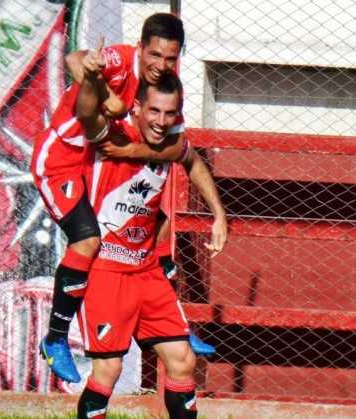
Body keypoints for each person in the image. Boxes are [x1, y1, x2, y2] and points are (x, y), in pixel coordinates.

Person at [31, 13, 222, 384]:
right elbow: (74, 60)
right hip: (62, 160)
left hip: (94, 161)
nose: (161, 65)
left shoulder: (166, 89)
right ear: (140, 48)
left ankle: (176, 327)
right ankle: (55, 338)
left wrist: (135, 150)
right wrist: (103, 89)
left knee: (158, 227)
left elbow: (180, 150)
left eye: (170, 58)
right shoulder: (119, 59)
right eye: (155, 55)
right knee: (87, 240)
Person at [76, 64, 222, 418]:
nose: (161, 120)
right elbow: (87, 114)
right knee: (108, 369)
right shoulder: (112, 136)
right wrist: (92, 77)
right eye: (154, 111)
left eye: (170, 113)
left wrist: (219, 214)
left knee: (182, 359)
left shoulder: (171, 145)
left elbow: (194, 162)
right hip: (106, 270)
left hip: (146, 271)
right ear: (137, 107)